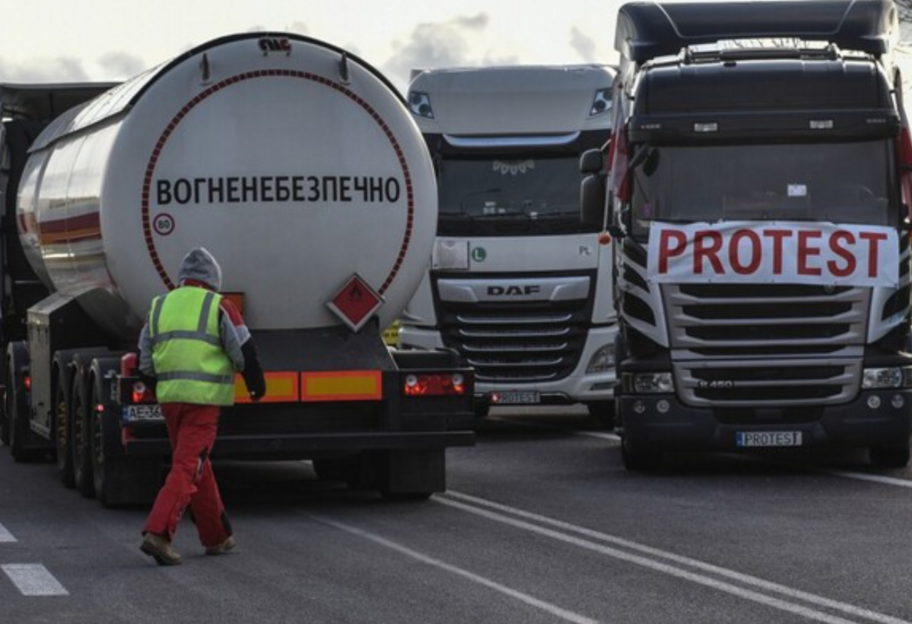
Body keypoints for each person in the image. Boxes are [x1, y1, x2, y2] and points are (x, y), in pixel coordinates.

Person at [138, 247, 266, 566]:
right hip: (202, 403)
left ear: (182, 280)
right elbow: (244, 351)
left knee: (197, 464)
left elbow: (144, 363)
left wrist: (163, 388)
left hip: (170, 401)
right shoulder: (218, 305)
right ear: (213, 281)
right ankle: (159, 534)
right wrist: (255, 386)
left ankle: (216, 536)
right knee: (187, 467)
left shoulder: (159, 306)